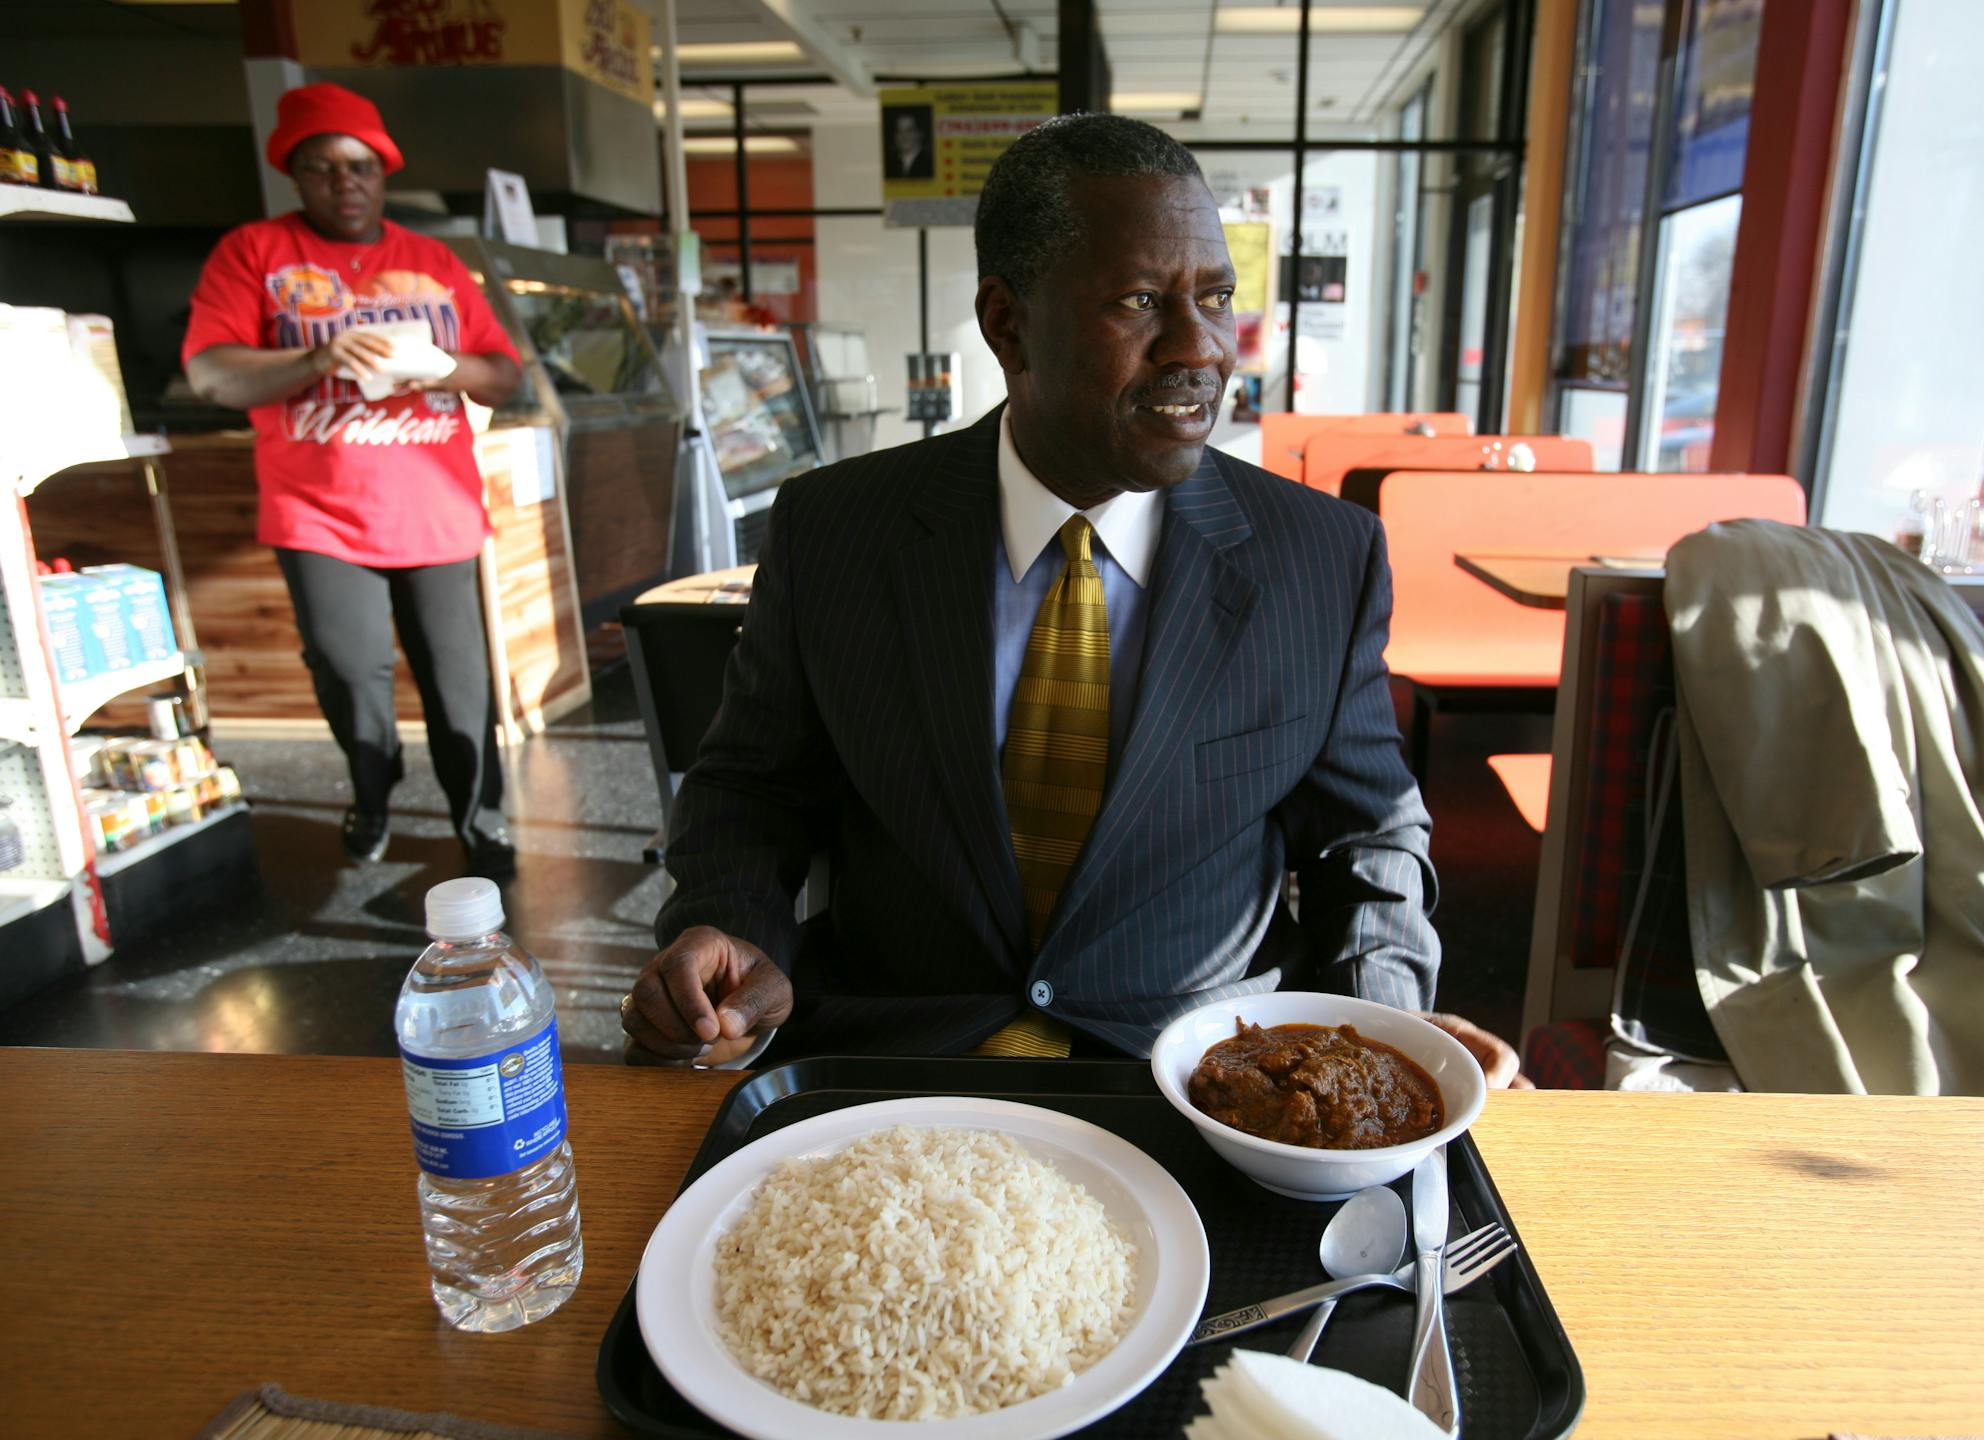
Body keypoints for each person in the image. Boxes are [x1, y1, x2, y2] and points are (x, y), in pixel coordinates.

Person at [621, 113, 1522, 1085]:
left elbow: (1365, 833)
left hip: (1217, 1078)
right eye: (1141, 301)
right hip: (896, 1064)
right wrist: (726, 929)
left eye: (1215, 298)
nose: (1202, 348)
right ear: (1008, 322)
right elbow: (754, 788)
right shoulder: (839, 533)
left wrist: (1382, 1023)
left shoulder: (1319, 559)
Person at [181, 83, 522, 878]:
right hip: (318, 514)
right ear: (296, 175)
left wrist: (445, 366)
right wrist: (319, 357)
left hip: (437, 511)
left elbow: (502, 373)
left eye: (362, 165)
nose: (346, 182)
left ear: (383, 171)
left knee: (458, 679)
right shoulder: (253, 254)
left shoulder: (433, 262)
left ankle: (481, 816)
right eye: (323, 167)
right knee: (347, 669)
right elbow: (210, 374)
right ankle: (372, 792)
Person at [884, 107, 934, 180]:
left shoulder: (930, 164)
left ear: (919, 133)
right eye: (899, 131)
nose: (903, 136)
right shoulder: (889, 165)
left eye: (909, 130)